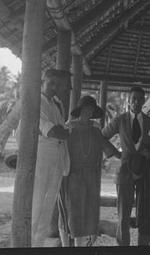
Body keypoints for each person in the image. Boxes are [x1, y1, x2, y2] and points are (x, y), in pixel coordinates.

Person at [102, 86, 150, 246]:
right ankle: (123, 247)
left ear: (143, 101)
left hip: (146, 173)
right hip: (125, 172)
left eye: (139, 99)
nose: (136, 101)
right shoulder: (120, 120)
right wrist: (116, 154)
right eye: (133, 98)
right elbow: (102, 136)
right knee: (123, 215)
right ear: (129, 100)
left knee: (145, 213)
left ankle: (142, 247)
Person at [58, 96, 121, 246]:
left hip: (92, 177)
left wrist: (120, 155)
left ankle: (82, 246)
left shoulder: (97, 127)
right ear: (79, 111)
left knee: (88, 211)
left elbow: (104, 145)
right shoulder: (69, 126)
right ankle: (66, 247)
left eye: (91, 110)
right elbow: (60, 149)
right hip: (72, 175)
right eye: (85, 109)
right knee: (70, 212)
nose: (88, 112)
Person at [31, 69, 72, 247]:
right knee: (36, 206)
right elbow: (53, 131)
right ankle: (25, 245)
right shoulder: (36, 102)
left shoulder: (56, 104)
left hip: (57, 159)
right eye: (51, 83)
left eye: (57, 84)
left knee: (47, 208)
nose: (54, 87)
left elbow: (62, 131)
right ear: (42, 81)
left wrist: (63, 132)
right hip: (42, 158)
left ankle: (37, 246)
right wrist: (63, 132)